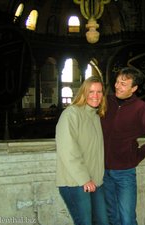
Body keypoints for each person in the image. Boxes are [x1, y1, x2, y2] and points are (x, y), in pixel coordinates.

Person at [101, 67, 145, 225]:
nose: (117, 86)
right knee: (112, 216)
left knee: (127, 218)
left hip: (124, 173)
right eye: (117, 82)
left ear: (134, 88)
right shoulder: (106, 102)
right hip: (102, 171)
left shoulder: (142, 109)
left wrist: (139, 154)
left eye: (123, 84)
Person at [55, 76, 109, 225]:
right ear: (83, 93)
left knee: (103, 222)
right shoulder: (71, 114)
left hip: (95, 182)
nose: (95, 96)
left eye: (99, 92)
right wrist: (84, 178)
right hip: (76, 183)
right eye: (91, 91)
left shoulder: (96, 117)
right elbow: (68, 150)